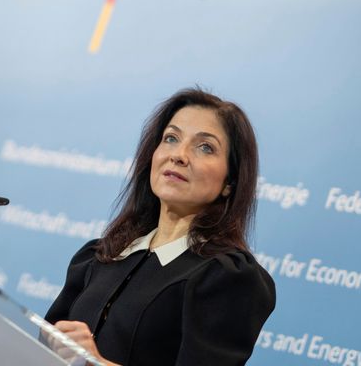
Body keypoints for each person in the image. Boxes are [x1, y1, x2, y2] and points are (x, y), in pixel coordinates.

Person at [45, 88, 275, 366]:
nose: (179, 155)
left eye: (205, 147)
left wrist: (95, 363)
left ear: (230, 182)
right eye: (171, 138)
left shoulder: (228, 278)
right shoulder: (100, 256)